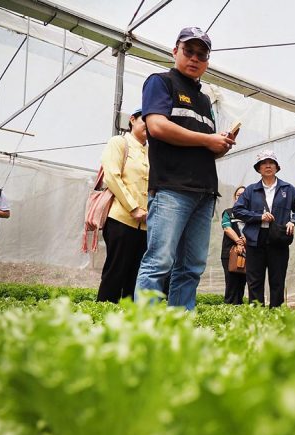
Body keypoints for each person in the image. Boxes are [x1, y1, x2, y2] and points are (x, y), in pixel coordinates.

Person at [135, 27, 235, 310]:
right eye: (188, 51)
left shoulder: (204, 100)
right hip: (171, 188)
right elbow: (157, 126)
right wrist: (207, 139)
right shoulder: (160, 82)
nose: (194, 58)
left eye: (201, 55)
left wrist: (220, 145)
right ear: (174, 51)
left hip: (204, 192)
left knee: (191, 267)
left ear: (207, 62)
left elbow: (205, 147)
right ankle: (143, 326)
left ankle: (180, 324)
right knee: (159, 261)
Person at [233, 150, 295, 307]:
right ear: (258, 168)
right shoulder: (250, 190)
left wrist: (293, 221)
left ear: (277, 167)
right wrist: (259, 216)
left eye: (271, 163)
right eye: (264, 163)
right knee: (254, 281)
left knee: (277, 280)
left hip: (278, 239)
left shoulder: (288, 189)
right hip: (255, 240)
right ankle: (256, 314)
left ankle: (276, 314)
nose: (268, 166)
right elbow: (238, 210)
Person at [96, 108, 149, 303]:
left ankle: (129, 317)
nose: (150, 126)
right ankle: (103, 313)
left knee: (136, 276)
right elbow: (112, 176)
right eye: (145, 120)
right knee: (116, 271)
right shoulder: (119, 142)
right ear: (132, 120)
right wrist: (133, 207)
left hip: (146, 225)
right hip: (121, 219)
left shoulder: (152, 152)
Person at [220, 186, 247, 305]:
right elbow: (226, 228)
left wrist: (245, 240)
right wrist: (238, 241)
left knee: (242, 282)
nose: (240, 197)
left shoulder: (252, 214)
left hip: (247, 253)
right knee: (231, 281)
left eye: (244, 195)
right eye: (238, 195)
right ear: (234, 198)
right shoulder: (228, 212)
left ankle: (239, 306)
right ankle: (229, 307)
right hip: (229, 253)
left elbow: (255, 230)